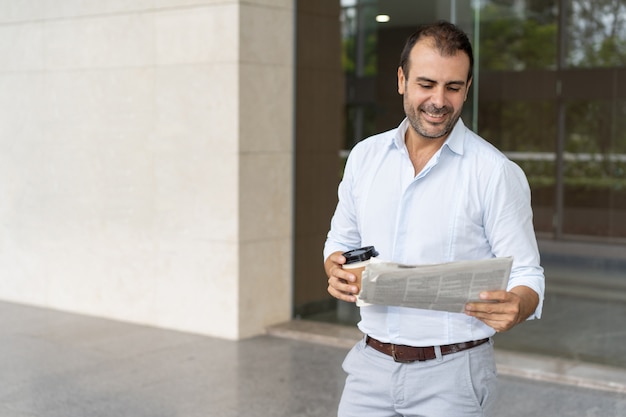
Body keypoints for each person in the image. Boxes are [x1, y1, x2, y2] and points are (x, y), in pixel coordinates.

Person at [323, 21, 545, 417]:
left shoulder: (494, 172)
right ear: (401, 80)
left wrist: (520, 304)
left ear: (467, 87)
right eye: (426, 84)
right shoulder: (364, 157)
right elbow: (341, 238)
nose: (439, 100)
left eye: (453, 87)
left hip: (453, 377)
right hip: (368, 368)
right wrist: (335, 266)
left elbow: (527, 271)